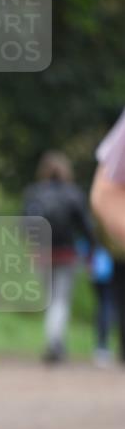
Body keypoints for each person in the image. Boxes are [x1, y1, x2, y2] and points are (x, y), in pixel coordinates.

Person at [22, 151, 94, 364]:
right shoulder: (73, 194)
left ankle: (53, 341)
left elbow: (23, 224)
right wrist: (92, 250)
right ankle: (55, 341)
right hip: (66, 253)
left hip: (42, 252)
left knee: (50, 299)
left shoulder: (34, 193)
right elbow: (86, 227)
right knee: (60, 300)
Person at [91, 109, 125, 362]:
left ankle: (105, 346)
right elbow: (107, 193)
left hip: (105, 255)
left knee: (109, 302)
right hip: (110, 256)